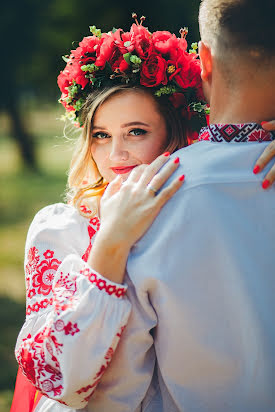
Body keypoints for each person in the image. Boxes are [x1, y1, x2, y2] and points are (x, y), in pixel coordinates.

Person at [11, 11, 275, 412]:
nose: (117, 155)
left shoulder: (182, 202)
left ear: (172, 133)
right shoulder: (61, 228)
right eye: (101, 135)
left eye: (136, 132)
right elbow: (55, 378)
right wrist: (110, 242)